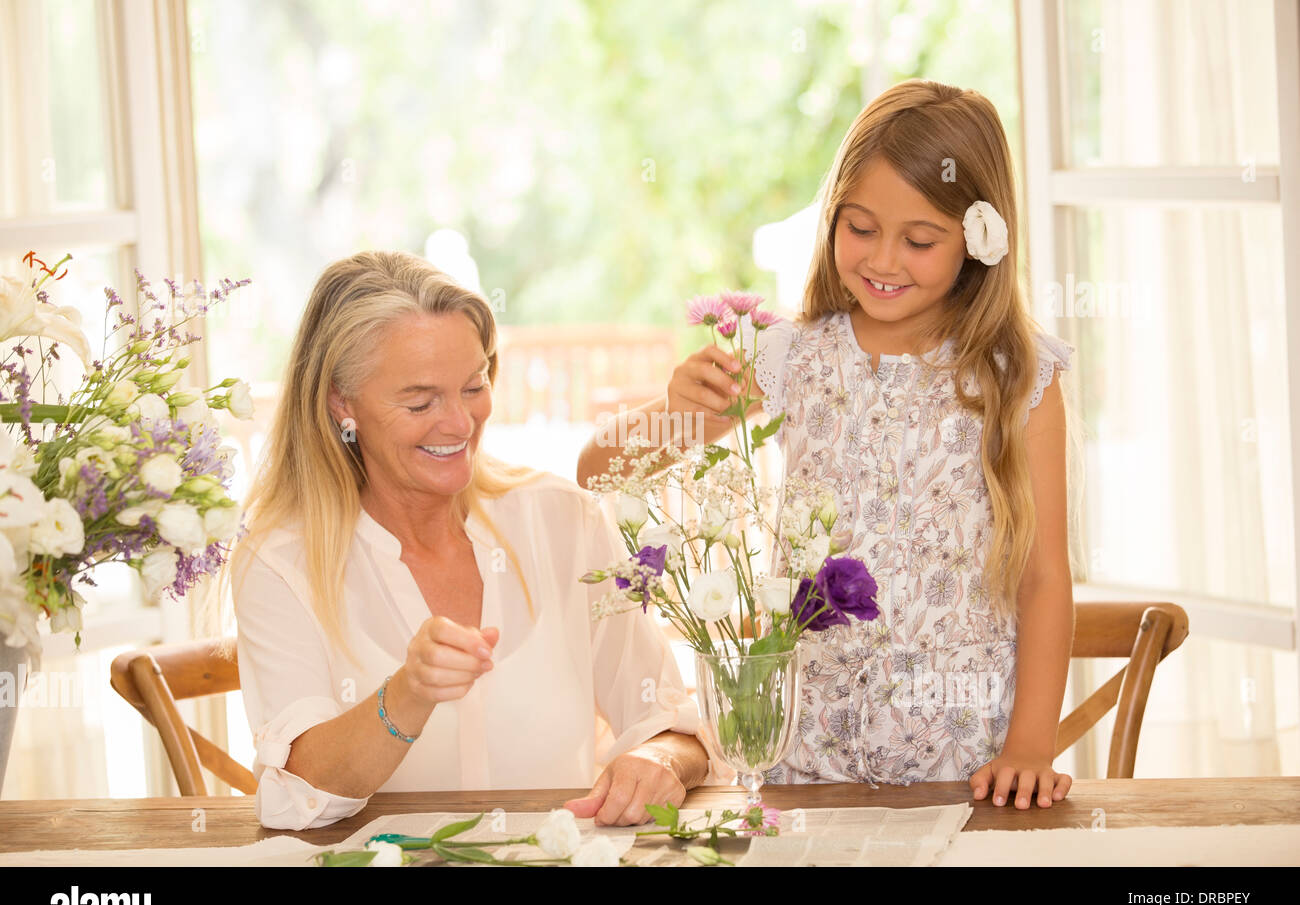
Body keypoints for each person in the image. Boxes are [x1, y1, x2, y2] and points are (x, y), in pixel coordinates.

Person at [578, 79, 1078, 811]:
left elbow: (1043, 578)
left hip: (966, 763)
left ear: (978, 238)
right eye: (861, 227)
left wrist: (1031, 746)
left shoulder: (1019, 376)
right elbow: (598, 470)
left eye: (919, 240)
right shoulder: (791, 356)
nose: (884, 260)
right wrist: (671, 408)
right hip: (809, 760)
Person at [231, 250, 708, 831]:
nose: (459, 423)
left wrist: (657, 759)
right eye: (420, 401)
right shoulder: (280, 562)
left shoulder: (564, 522)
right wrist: (407, 694)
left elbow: (671, 723)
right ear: (342, 403)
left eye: (473, 386)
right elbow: (301, 790)